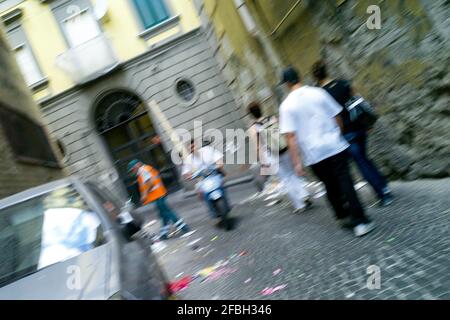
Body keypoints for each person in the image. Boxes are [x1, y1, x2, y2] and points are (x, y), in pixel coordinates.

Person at [278, 66, 375, 237]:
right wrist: (338, 134)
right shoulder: (318, 92)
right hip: (334, 145)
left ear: (286, 84)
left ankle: (342, 215)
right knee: (346, 182)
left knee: (329, 185)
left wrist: (297, 163)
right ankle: (360, 222)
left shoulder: (286, 106)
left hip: (313, 154)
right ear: (299, 77)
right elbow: (337, 116)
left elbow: (291, 137)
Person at [311, 60, 393, 206]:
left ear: (316, 77)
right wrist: (367, 122)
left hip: (346, 133)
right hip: (359, 127)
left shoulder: (321, 94)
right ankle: (384, 186)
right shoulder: (343, 83)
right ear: (327, 70)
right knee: (365, 158)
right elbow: (359, 101)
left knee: (361, 163)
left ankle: (383, 194)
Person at [247, 101, 312, 213]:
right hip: (284, 149)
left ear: (251, 114)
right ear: (260, 109)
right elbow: (284, 133)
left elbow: (258, 147)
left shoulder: (253, 129)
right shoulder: (273, 118)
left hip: (271, 155)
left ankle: (299, 205)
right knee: (292, 174)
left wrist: (263, 162)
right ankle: (304, 194)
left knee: (286, 179)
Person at [128, 160, 189, 240]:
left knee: (167, 212)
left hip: (157, 196)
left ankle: (184, 227)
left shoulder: (143, 170)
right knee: (163, 214)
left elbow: (150, 183)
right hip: (159, 194)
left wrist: (145, 195)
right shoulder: (146, 169)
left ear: (137, 165)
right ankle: (164, 233)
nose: (133, 171)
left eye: (133, 169)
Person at [181, 139, 231, 226]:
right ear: (188, 150)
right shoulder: (188, 159)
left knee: (222, 183)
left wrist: (219, 164)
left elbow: (219, 159)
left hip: (215, 174)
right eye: (190, 148)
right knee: (200, 192)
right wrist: (188, 176)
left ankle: (226, 204)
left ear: (196, 145)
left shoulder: (207, 150)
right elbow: (186, 173)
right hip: (202, 180)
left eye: (193, 146)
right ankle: (213, 210)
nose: (193, 149)